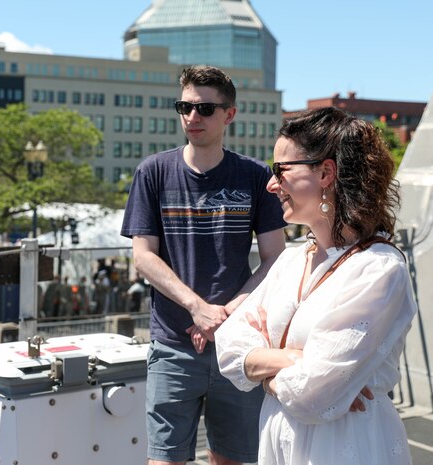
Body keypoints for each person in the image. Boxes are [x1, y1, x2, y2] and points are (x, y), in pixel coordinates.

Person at [215, 107, 417, 465]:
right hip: (281, 439)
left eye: (281, 170)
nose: (271, 183)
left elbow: (313, 394)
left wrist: (264, 368)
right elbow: (229, 344)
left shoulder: (377, 268)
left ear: (326, 172)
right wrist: (293, 362)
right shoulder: (292, 260)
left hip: (345, 446)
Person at [121, 65, 287, 465]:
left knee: (231, 458)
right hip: (173, 344)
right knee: (164, 459)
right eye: (185, 107)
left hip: (240, 343)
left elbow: (274, 258)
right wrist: (197, 308)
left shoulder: (254, 175)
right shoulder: (154, 172)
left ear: (229, 114)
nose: (193, 117)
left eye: (205, 109)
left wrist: (223, 315)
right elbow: (143, 256)